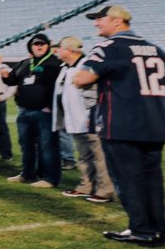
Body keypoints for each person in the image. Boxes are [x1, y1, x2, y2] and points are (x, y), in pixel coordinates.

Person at [74, 5, 165, 246]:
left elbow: (82, 79)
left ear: (117, 22)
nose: (96, 24)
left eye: (100, 19)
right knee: (152, 180)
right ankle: (157, 228)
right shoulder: (156, 49)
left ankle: (141, 229)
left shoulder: (110, 47)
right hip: (155, 124)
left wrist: (85, 78)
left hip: (121, 124)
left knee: (128, 180)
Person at [53, 36, 115, 203]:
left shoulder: (88, 65)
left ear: (69, 50)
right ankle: (86, 185)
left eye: (59, 47)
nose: (57, 51)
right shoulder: (65, 68)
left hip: (89, 118)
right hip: (74, 119)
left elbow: (96, 93)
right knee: (84, 155)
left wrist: (92, 114)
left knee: (99, 155)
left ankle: (105, 190)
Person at [1, 32, 62, 188]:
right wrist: (5, 76)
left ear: (48, 46)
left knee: (47, 145)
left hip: (44, 112)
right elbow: (13, 80)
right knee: (26, 144)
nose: (39, 46)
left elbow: (59, 88)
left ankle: (49, 178)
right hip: (24, 110)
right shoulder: (24, 63)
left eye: (42, 44)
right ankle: (27, 173)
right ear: (30, 47)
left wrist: (50, 106)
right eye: (36, 44)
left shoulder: (55, 63)